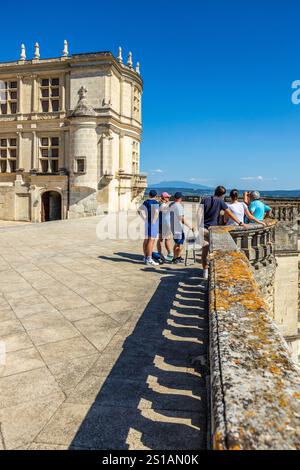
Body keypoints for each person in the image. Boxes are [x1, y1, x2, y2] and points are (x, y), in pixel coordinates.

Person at [198, 185, 246, 279]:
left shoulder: (204, 199)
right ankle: (214, 272)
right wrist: (240, 222)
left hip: (203, 228)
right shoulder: (221, 201)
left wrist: (198, 226)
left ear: (215, 191)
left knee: (205, 250)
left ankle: (205, 272)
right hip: (214, 229)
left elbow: (199, 213)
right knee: (216, 251)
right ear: (223, 194)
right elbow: (229, 213)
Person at [169, 192, 194, 264]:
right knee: (178, 243)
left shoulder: (172, 205)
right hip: (177, 227)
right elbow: (181, 219)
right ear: (180, 198)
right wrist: (190, 226)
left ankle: (178, 256)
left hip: (174, 226)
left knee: (180, 243)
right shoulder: (178, 206)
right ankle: (175, 258)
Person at [138, 190, 160, 266]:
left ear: (149, 195)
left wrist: (144, 218)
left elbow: (139, 210)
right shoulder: (155, 202)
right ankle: (149, 259)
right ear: (156, 195)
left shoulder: (146, 202)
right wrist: (154, 221)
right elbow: (156, 212)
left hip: (147, 222)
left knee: (146, 239)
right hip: (152, 223)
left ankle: (145, 256)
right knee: (151, 241)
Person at [157, 192, 173, 262]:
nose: (169, 198)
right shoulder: (162, 205)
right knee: (167, 239)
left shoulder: (160, 204)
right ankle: (169, 254)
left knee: (161, 239)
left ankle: (160, 253)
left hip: (161, 224)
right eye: (168, 197)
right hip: (165, 224)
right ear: (164, 198)